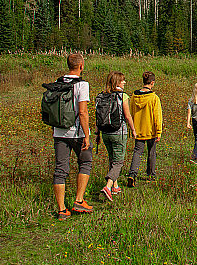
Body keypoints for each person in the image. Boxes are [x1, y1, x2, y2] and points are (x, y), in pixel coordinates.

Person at [53, 53, 93, 220]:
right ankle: (79, 200)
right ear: (81, 66)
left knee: (60, 169)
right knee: (85, 162)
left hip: (59, 132)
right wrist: (86, 135)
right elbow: (83, 111)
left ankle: (62, 209)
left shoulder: (57, 83)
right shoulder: (82, 85)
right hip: (77, 132)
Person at [98, 72, 135, 202]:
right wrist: (133, 130)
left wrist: (98, 132)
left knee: (112, 158)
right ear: (117, 82)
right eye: (123, 80)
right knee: (118, 161)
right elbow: (127, 116)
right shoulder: (122, 96)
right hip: (119, 132)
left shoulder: (102, 96)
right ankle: (108, 187)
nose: (124, 82)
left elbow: (99, 116)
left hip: (105, 132)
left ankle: (115, 185)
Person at [126, 71, 162, 186]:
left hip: (138, 130)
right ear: (152, 83)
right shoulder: (154, 98)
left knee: (137, 152)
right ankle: (151, 174)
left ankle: (132, 174)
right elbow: (157, 116)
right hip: (150, 130)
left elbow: (130, 113)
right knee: (151, 152)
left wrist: (132, 129)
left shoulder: (133, 96)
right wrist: (159, 131)